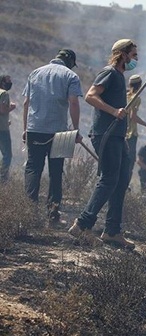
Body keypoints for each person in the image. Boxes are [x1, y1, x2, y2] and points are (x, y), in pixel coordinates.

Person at [68, 39, 139, 249]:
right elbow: (90, 96)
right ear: (123, 55)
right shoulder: (109, 72)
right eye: (134, 55)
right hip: (105, 134)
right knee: (109, 178)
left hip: (117, 136)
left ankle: (112, 231)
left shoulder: (119, 77)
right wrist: (114, 111)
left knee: (122, 178)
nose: (136, 59)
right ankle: (82, 224)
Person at [21, 49, 83, 223]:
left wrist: (25, 128)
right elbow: (73, 102)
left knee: (33, 169)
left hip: (35, 128)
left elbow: (27, 103)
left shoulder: (35, 72)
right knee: (56, 172)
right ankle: (53, 213)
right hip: (60, 132)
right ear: (70, 61)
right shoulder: (70, 76)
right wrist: (76, 129)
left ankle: (28, 212)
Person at [125, 74, 146, 186]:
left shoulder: (125, 96)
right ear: (140, 85)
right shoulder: (136, 98)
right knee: (130, 162)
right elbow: (133, 116)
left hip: (122, 133)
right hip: (131, 134)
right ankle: (125, 186)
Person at [0, 75, 16, 182]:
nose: (10, 82)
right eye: (8, 80)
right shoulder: (4, 93)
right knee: (7, 155)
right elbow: (2, 110)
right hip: (2, 130)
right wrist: (12, 107)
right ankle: (2, 179)